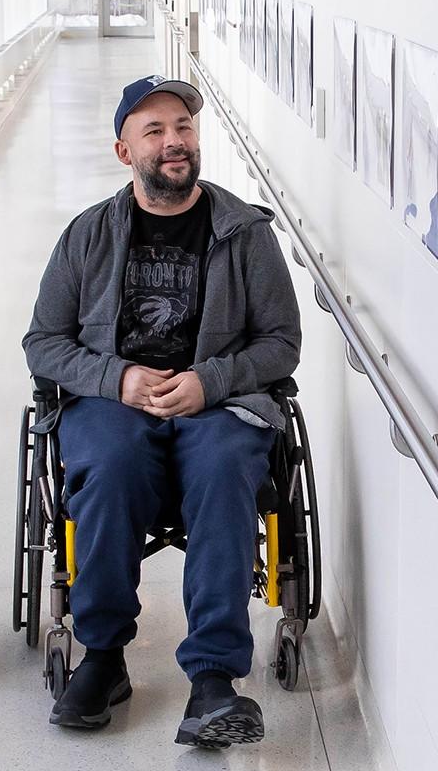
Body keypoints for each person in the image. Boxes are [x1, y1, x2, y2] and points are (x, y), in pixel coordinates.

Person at [23, 75, 303, 748]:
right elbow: (43, 343)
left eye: (182, 127)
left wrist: (210, 381)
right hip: (115, 405)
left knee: (226, 465)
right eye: (155, 131)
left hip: (218, 405)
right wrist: (116, 378)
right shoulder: (88, 235)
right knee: (113, 464)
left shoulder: (244, 232)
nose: (175, 141)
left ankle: (212, 683)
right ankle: (103, 657)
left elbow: (282, 343)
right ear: (125, 152)